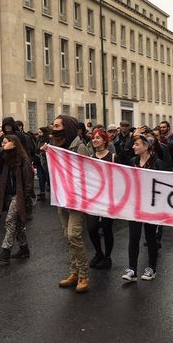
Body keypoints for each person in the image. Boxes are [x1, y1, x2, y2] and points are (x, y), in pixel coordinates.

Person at [45, 115, 90, 293]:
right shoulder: (56, 146)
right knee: (67, 236)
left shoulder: (80, 147)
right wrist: (45, 155)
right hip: (61, 197)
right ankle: (74, 272)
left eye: (57, 126)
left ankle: (84, 275)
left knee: (74, 235)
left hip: (76, 200)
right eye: (53, 125)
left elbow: (86, 173)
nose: (54, 129)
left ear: (67, 127)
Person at [122, 134, 168, 282]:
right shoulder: (133, 161)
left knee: (150, 238)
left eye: (137, 144)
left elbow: (164, 184)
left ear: (146, 146)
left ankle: (151, 268)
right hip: (135, 205)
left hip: (151, 207)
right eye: (134, 144)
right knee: (134, 237)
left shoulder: (157, 163)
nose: (134, 147)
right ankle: (132, 269)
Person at [0, 135, 34, 263]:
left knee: (10, 221)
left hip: (19, 196)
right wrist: (2, 149)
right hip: (8, 194)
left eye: (6, 142)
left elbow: (28, 181)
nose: (3, 145)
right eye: (2, 143)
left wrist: (24, 198)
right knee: (19, 224)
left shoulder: (23, 159)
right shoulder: (5, 158)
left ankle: (6, 250)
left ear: (14, 144)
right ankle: (24, 248)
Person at [87, 128, 116, 269]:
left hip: (108, 199)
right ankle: (98, 253)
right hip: (94, 198)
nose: (95, 140)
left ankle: (107, 257)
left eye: (98, 138)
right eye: (93, 138)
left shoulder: (113, 157)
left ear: (104, 140)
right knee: (91, 228)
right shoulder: (90, 158)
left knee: (107, 228)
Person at [34, 126, 50, 201]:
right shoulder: (38, 140)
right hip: (38, 161)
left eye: (40, 132)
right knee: (40, 177)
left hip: (46, 161)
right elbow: (36, 149)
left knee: (47, 177)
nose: (39, 133)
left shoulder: (48, 140)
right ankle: (42, 192)